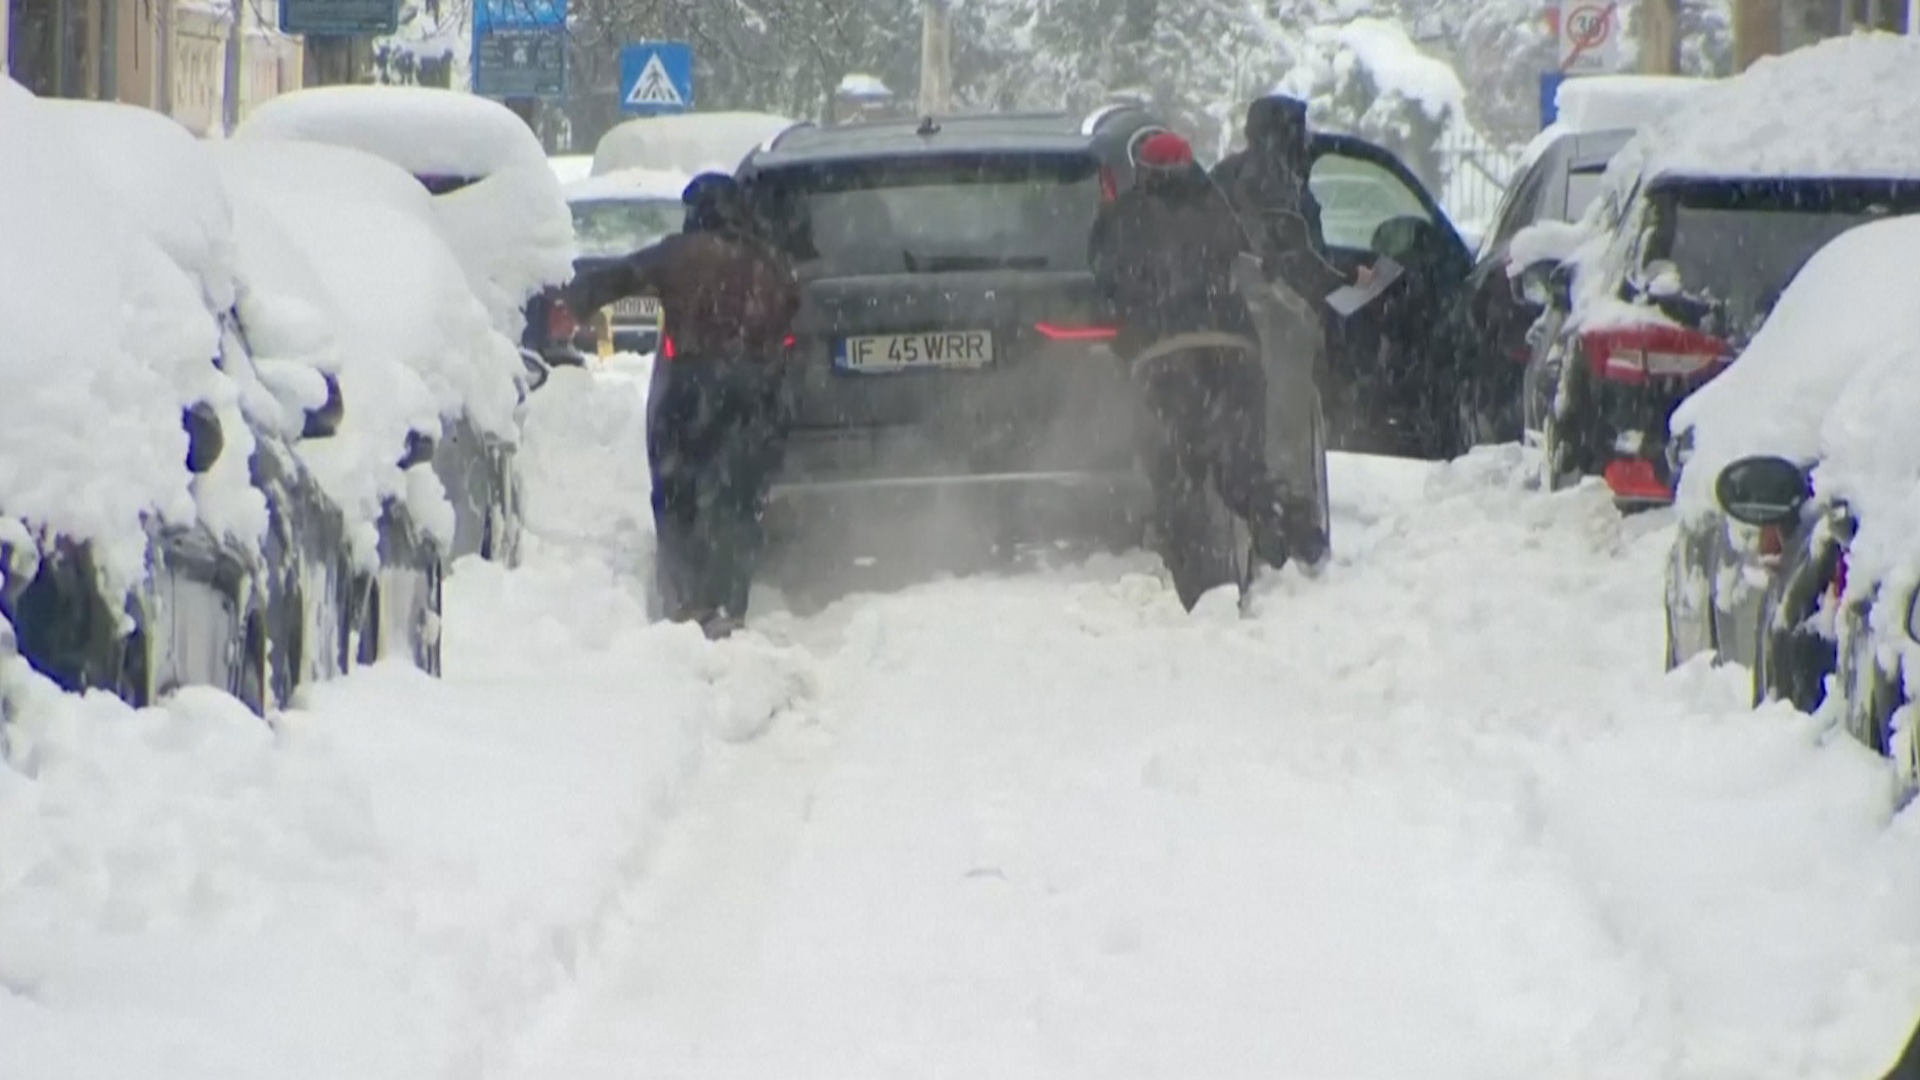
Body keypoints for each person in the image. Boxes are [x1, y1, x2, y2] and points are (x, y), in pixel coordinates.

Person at [565, 172, 800, 639]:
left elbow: (621, 276)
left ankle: (687, 599)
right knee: (739, 500)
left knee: (677, 493)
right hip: (754, 393)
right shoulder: (768, 264)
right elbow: (790, 314)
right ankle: (730, 600)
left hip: (689, 388)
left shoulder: (681, 254)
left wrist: (575, 299)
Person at [1089, 130, 1308, 610]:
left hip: (1164, 356)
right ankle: (1287, 534)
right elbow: (1254, 264)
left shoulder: (1124, 216)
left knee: (1175, 476)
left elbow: (1105, 281)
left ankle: (1200, 587)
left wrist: (1128, 325)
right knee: (1241, 464)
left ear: (1143, 171)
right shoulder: (1218, 205)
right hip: (1235, 348)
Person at [1210, 93, 1373, 303]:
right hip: (1281, 307)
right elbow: (1303, 264)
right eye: (1302, 131)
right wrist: (1351, 276)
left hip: (1232, 299)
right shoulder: (1282, 187)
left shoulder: (1227, 173)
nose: (1307, 139)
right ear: (1289, 135)